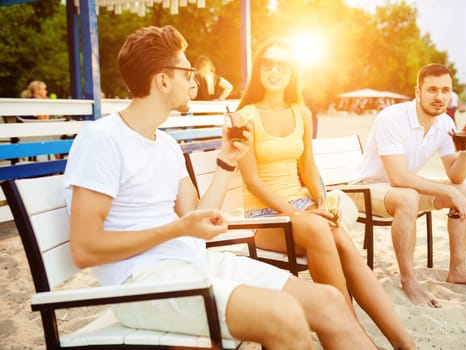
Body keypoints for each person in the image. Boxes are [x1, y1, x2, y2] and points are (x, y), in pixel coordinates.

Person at [63, 25, 377, 349]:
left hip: (193, 263)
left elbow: (196, 217)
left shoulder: (166, 145)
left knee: (328, 301)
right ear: (163, 80)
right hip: (143, 283)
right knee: (286, 315)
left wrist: (227, 161)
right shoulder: (102, 140)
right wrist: (175, 230)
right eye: (188, 73)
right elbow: (85, 249)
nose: (194, 81)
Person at [234, 38, 415, 349]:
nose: (274, 70)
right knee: (319, 226)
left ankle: (404, 344)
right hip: (266, 219)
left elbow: (309, 167)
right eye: (267, 63)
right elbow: (252, 182)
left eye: (282, 64)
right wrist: (300, 214)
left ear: (292, 72)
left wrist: (322, 202)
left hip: (303, 209)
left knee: (338, 235)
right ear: (258, 69)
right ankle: (352, 335)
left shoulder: (301, 112)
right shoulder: (245, 117)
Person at [350, 63, 466, 308]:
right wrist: (447, 190)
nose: (439, 97)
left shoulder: (445, 123)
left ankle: (458, 270)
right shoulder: (392, 117)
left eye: (445, 90)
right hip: (365, 189)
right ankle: (409, 280)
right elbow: (398, 176)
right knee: (409, 195)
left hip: (400, 192)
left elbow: (456, 176)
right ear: (417, 91)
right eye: (432, 90)